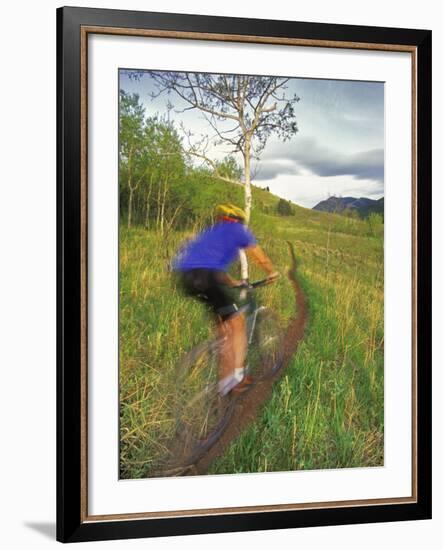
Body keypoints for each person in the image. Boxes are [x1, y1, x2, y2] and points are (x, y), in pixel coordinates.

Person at [172, 203, 279, 396]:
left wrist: (233, 282)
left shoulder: (212, 232)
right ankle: (234, 380)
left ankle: (224, 377)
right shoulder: (238, 230)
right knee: (237, 323)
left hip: (187, 278)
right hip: (207, 277)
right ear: (239, 220)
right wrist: (271, 272)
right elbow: (259, 256)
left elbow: (211, 266)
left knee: (224, 330)